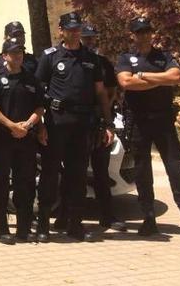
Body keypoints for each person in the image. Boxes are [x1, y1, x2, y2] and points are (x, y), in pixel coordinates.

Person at [116, 17, 180, 243]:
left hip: (163, 122)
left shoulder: (164, 56)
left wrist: (144, 76)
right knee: (143, 172)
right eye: (139, 32)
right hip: (138, 122)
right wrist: (161, 79)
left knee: (176, 171)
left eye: (147, 31)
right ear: (133, 35)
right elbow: (126, 83)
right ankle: (149, 219)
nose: (144, 35)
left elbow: (175, 77)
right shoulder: (126, 58)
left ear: (151, 33)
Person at [35, 12, 114, 243]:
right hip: (56, 121)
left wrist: (108, 123)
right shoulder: (50, 57)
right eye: (70, 29)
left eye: (77, 28)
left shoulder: (91, 59)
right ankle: (43, 225)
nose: (75, 32)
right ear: (61, 30)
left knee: (77, 176)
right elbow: (39, 91)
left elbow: (100, 93)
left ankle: (75, 224)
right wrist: (39, 124)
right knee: (50, 174)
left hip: (82, 124)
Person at [56, 24, 126, 232]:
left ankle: (107, 216)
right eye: (85, 37)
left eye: (91, 38)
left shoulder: (101, 63)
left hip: (98, 125)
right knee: (71, 173)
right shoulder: (69, 59)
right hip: (78, 125)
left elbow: (110, 92)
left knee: (101, 173)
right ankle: (64, 215)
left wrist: (105, 122)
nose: (88, 41)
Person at [0, 37, 46, 244]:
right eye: (13, 52)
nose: (17, 55)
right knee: (0, 184)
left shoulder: (31, 79)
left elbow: (39, 107)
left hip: (26, 139)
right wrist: (12, 126)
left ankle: (24, 228)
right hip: (3, 138)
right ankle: (1, 229)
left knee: (25, 184)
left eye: (20, 52)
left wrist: (27, 125)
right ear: (4, 56)